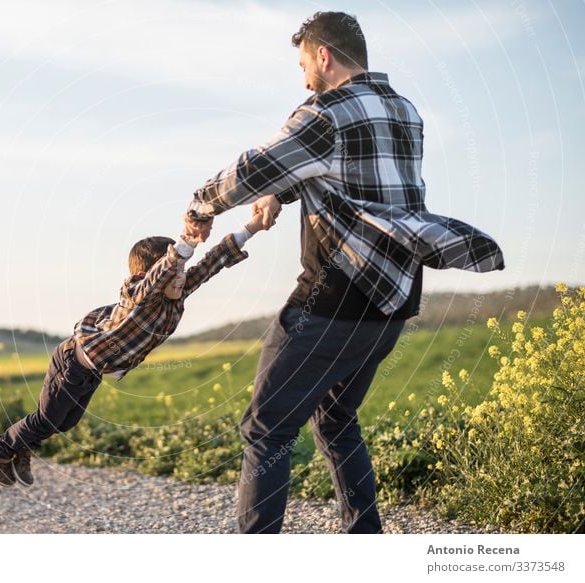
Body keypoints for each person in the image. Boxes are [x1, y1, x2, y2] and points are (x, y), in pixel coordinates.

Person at [185, 11, 505, 533]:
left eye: (303, 63)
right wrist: (282, 193)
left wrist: (201, 206)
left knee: (266, 428)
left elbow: (253, 169)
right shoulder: (406, 111)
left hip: (332, 299)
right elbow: (348, 177)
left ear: (324, 56)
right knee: (335, 418)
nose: (303, 76)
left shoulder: (323, 113)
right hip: (395, 301)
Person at [0, 212, 270, 487]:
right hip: (72, 361)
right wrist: (186, 243)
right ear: (148, 275)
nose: (181, 276)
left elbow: (212, 263)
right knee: (48, 418)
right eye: (175, 271)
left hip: (92, 371)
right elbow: (159, 276)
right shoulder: (137, 295)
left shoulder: (176, 292)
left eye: (182, 272)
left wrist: (253, 226)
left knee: (65, 422)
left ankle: (19, 447)